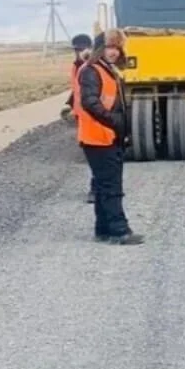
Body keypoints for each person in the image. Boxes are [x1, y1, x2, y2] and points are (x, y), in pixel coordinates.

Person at [75, 29, 144, 245]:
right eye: (109, 47)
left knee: (105, 185)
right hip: (99, 136)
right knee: (112, 187)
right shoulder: (92, 71)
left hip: (105, 136)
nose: (113, 52)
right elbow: (90, 102)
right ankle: (119, 231)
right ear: (99, 49)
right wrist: (115, 121)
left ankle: (103, 229)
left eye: (116, 47)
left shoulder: (106, 70)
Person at [62, 33, 96, 204]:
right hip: (82, 118)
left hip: (95, 119)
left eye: (82, 49)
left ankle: (96, 189)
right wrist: (70, 105)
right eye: (76, 50)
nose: (79, 52)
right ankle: (98, 187)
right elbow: (77, 90)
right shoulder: (77, 66)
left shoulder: (94, 67)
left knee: (97, 156)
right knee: (90, 155)